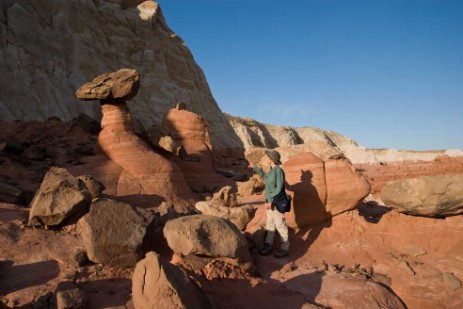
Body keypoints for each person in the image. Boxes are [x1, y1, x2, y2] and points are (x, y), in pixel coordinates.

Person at [248, 149, 289, 258]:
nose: (266, 158)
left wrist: (271, 202)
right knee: (270, 224)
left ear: (272, 159)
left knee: (280, 225)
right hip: (269, 203)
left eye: (268, 157)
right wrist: (255, 168)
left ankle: (285, 248)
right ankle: (268, 245)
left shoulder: (279, 171)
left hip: (276, 203)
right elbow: (265, 177)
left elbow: (279, 188)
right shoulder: (271, 170)